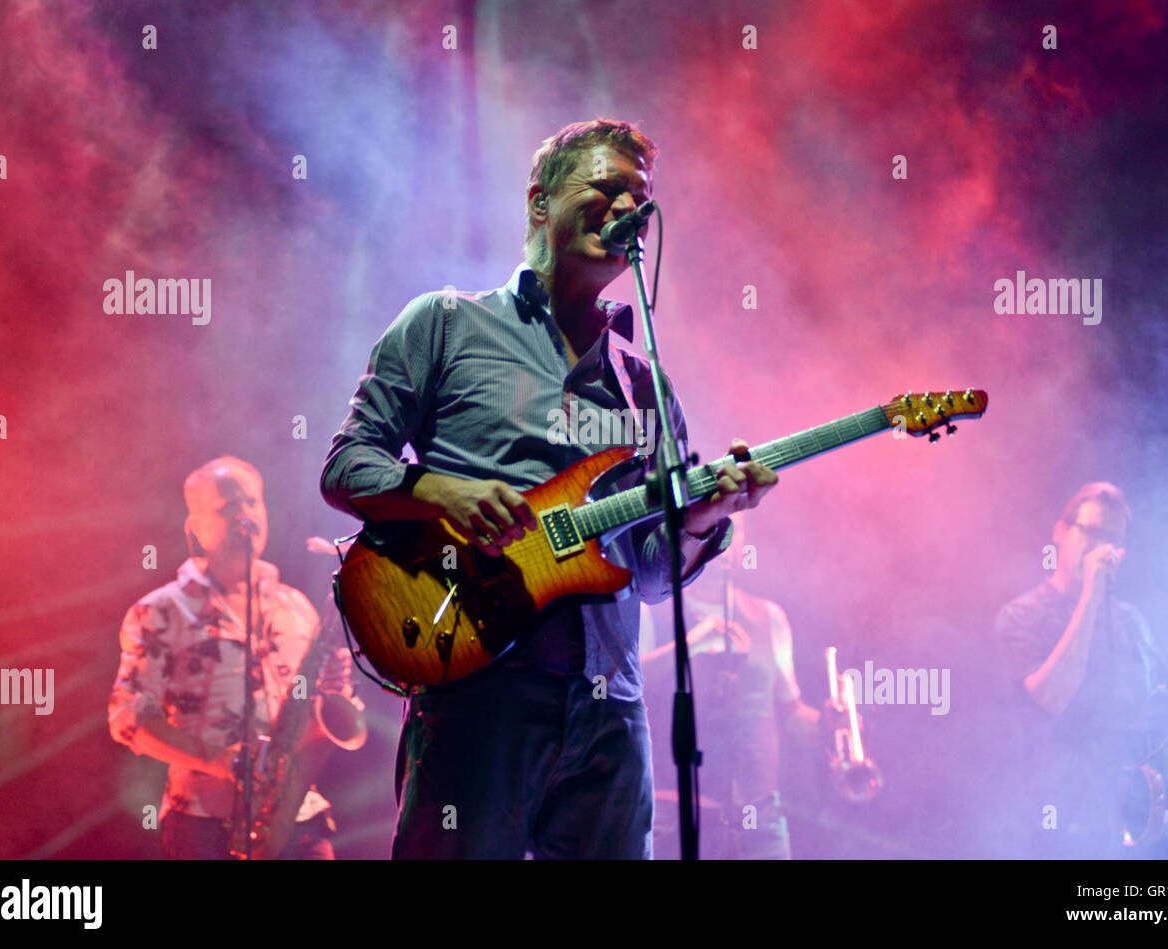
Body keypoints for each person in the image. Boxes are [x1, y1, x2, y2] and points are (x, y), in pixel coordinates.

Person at [320, 118, 779, 859]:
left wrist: (702, 519)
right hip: (475, 690)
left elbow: (654, 575)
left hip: (609, 705)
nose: (628, 207)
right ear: (540, 203)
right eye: (605, 187)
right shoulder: (444, 324)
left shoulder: (644, 382)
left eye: (641, 196)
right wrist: (444, 492)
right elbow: (347, 465)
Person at [109, 456, 359, 859]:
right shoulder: (159, 611)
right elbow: (130, 720)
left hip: (299, 819)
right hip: (204, 825)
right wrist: (221, 761)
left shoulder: (294, 606)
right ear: (195, 528)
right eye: (228, 507)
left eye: (252, 502)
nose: (244, 515)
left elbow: (312, 717)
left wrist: (333, 689)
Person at [995, 481, 1168, 857]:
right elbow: (1050, 699)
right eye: (1092, 532)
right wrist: (1090, 597)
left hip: (1128, 824)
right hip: (1052, 823)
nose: (1102, 548)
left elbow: (1164, 717)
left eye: (1113, 538)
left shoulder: (1133, 623)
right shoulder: (1021, 615)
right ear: (1061, 532)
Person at [640, 511, 822, 859]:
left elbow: (788, 710)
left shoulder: (769, 617)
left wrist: (829, 726)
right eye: (719, 523)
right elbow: (629, 691)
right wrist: (689, 645)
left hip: (759, 814)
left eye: (737, 529)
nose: (729, 538)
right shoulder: (654, 608)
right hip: (673, 813)